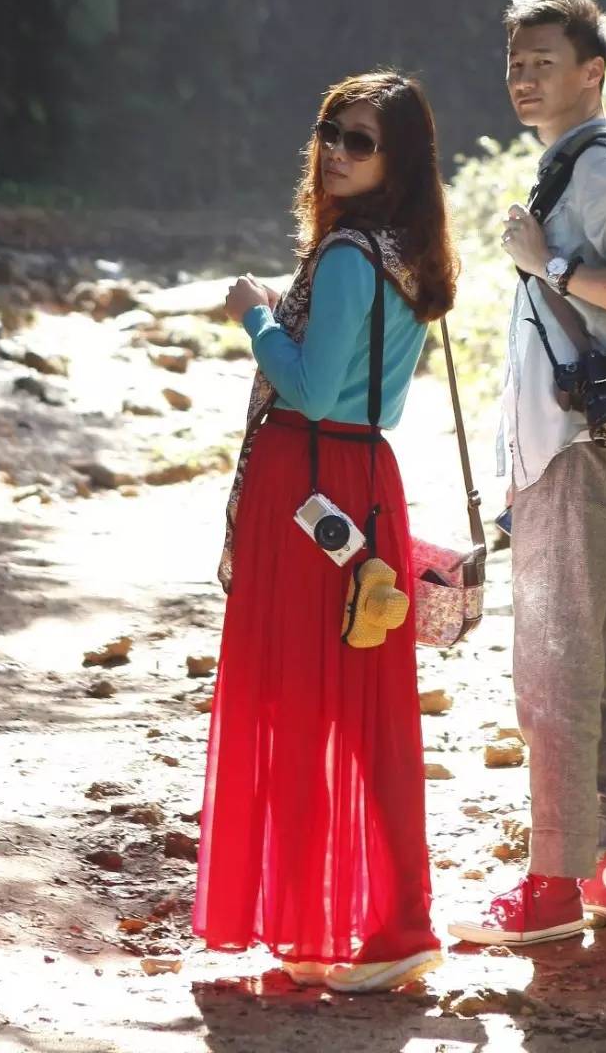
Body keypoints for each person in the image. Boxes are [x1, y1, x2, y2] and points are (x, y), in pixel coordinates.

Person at [194, 71, 456, 992]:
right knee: (357, 705)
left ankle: (344, 930)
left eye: (359, 141)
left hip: (308, 483)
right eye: (329, 132)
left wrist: (255, 314)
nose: (336, 152)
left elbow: (306, 385)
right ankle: (373, 924)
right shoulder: (409, 255)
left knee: (298, 703)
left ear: (399, 161)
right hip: (362, 482)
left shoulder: (349, 257)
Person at [449, 0, 606, 945]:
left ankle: (550, 888)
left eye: (545, 59)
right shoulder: (573, 165)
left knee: (551, 672)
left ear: (593, 71)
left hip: (576, 459)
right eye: (516, 61)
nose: (524, 75)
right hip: (590, 453)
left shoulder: (598, 168)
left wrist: (551, 265)